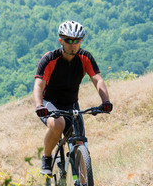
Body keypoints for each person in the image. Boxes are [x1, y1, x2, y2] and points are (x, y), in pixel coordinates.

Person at [33, 20, 113, 175]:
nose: (73, 44)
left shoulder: (85, 57)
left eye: (77, 41)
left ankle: (81, 183)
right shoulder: (49, 59)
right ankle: (47, 158)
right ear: (60, 41)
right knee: (58, 124)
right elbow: (38, 85)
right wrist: (39, 106)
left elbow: (97, 79)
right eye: (68, 40)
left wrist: (106, 101)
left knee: (79, 141)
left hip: (71, 104)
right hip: (49, 103)